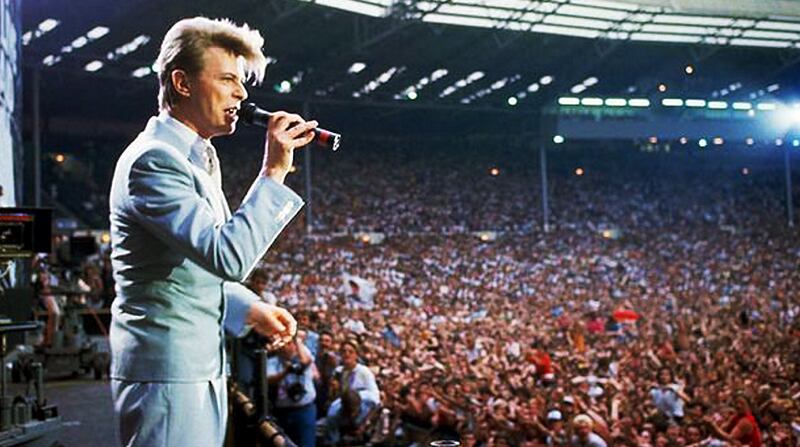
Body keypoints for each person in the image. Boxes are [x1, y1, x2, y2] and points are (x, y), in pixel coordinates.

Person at [108, 16, 318, 447]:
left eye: (241, 82)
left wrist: (248, 309)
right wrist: (274, 171)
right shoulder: (155, 161)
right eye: (227, 79)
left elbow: (191, 269)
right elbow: (229, 257)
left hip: (192, 368)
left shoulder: (194, 157)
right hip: (167, 375)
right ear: (182, 83)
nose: (241, 93)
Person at [267, 335, 317, 447]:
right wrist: (285, 371)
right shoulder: (273, 361)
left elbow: (305, 362)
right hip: (283, 412)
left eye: (289, 343)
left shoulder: (302, 354)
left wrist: (298, 340)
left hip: (304, 410)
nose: (285, 347)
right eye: (283, 344)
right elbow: (269, 380)